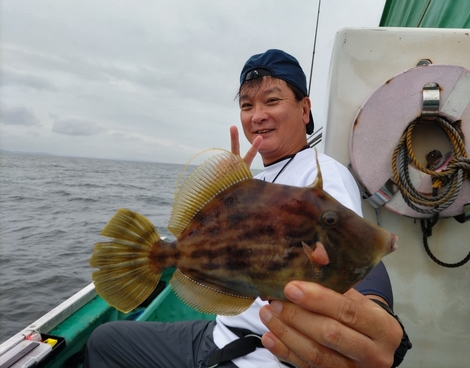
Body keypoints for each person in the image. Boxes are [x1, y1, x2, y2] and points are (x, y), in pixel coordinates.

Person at [85, 49, 410, 368]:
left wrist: (377, 308)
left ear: (304, 109)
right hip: (219, 333)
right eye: (246, 105)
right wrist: (227, 194)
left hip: (264, 355)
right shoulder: (255, 178)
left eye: (272, 100)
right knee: (103, 341)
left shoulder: (321, 176)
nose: (257, 115)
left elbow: (342, 252)